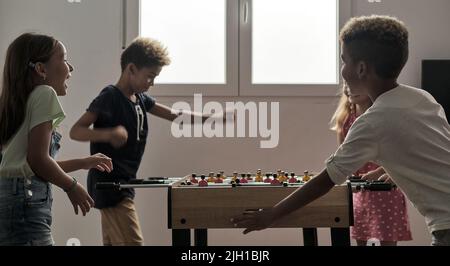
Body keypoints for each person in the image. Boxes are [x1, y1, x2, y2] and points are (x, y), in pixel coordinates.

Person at [232, 15, 450, 246]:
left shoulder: (372, 122)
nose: (343, 69)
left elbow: (327, 179)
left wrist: (272, 215)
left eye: (344, 61)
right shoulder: (422, 98)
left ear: (362, 68)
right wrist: (391, 168)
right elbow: (431, 148)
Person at [70, 37, 230, 246]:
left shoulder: (141, 100)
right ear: (132, 69)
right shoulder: (110, 96)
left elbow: (175, 114)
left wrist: (213, 118)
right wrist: (108, 134)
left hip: (123, 184)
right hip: (110, 185)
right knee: (133, 243)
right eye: (150, 77)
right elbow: (76, 131)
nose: (152, 83)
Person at [0, 33, 113, 246]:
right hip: (27, 201)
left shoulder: (20, 101)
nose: (71, 68)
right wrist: (71, 186)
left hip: (10, 198)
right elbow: (38, 160)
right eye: (64, 58)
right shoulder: (44, 93)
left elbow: (32, 163)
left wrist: (83, 163)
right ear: (41, 70)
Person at [330, 83, 412, 246]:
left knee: (387, 238)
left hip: (385, 188)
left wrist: (379, 173)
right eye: (346, 84)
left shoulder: (384, 117)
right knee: (361, 236)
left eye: (353, 84)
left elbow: (398, 156)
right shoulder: (345, 119)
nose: (349, 87)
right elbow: (343, 155)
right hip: (360, 191)